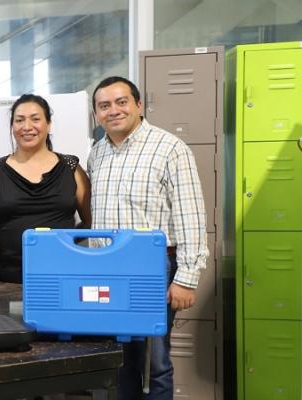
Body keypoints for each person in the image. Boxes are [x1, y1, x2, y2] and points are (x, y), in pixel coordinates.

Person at [87, 76, 208, 399]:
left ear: (139, 105)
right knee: (121, 358)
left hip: (153, 269)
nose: (113, 110)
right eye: (104, 105)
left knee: (156, 362)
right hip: (109, 270)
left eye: (121, 102)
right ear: (97, 114)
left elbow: (191, 215)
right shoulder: (97, 153)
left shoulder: (169, 148)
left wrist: (187, 278)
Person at [0, 94, 91, 284]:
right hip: (6, 277)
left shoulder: (71, 167)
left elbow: (89, 220)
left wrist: (67, 244)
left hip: (64, 273)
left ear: (49, 124)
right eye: (19, 120)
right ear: (12, 127)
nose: (27, 127)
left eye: (35, 119)